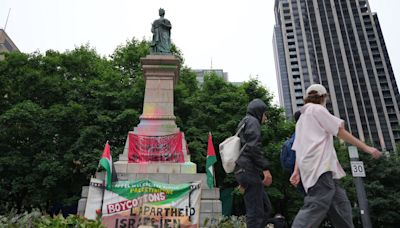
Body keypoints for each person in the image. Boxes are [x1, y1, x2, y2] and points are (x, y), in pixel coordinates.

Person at [290, 84, 382, 228]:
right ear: (323, 97)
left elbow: (299, 146)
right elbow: (340, 132)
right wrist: (367, 148)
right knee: (317, 203)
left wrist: (296, 171)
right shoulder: (317, 109)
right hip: (320, 166)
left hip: (316, 168)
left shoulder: (302, 118)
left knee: (340, 204)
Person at [234, 98, 272, 228]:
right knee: (255, 212)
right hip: (248, 171)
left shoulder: (243, 123)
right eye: (264, 114)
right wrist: (265, 169)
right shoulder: (253, 121)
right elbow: (253, 146)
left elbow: (243, 148)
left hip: (243, 170)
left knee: (265, 207)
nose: (265, 118)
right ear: (258, 112)